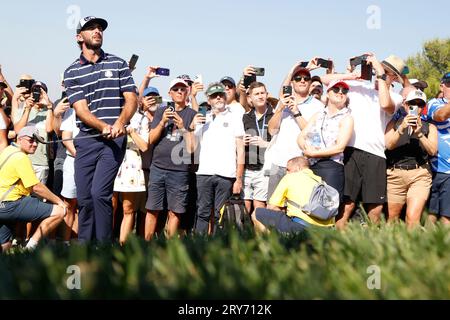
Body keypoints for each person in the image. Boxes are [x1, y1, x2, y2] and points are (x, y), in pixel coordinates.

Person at [63, 16, 138, 243]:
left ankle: (104, 248)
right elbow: (81, 110)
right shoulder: (72, 71)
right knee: (84, 198)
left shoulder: (118, 63)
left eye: (100, 28)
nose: (97, 31)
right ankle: (85, 246)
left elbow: (132, 99)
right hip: (87, 140)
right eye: (91, 28)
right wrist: (103, 125)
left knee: (100, 194)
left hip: (113, 142)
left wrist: (120, 123)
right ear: (79, 37)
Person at [321, 54, 404, 229]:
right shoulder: (358, 85)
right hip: (351, 150)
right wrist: (350, 76)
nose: (382, 73)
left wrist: (380, 74)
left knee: (375, 207)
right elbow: (324, 79)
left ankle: (371, 247)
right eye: (382, 69)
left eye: (389, 73)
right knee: (347, 204)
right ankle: (339, 245)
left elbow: (384, 104)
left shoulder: (396, 97)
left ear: (395, 78)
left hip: (376, 153)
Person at [0, 126, 67, 252]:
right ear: (19, 139)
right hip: (10, 205)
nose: (35, 144)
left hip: (2, 207)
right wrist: (59, 201)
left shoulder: (7, 150)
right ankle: (30, 248)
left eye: (37, 141)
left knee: (4, 246)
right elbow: (36, 187)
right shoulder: (21, 157)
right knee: (60, 211)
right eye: (31, 140)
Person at [145, 78, 196, 240]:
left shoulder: (192, 115)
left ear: (188, 92)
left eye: (183, 89)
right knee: (152, 209)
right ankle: (147, 245)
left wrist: (182, 127)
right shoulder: (161, 111)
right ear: (170, 93)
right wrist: (162, 122)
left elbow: (192, 148)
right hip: (158, 167)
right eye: (176, 89)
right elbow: (150, 139)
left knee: (175, 211)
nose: (179, 92)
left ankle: (169, 247)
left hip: (179, 171)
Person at [193, 82, 245, 234]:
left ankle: (218, 246)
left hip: (226, 174)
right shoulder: (203, 118)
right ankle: (199, 246)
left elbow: (240, 151)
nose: (218, 98)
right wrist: (191, 126)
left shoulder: (235, 117)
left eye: (221, 95)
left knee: (220, 215)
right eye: (214, 96)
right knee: (202, 213)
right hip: (204, 173)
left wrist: (239, 178)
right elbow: (192, 147)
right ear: (208, 100)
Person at [267, 61, 324, 199]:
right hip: (279, 163)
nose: (302, 81)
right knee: (272, 206)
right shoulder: (283, 103)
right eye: (298, 78)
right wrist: (280, 108)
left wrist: (296, 112)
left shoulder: (318, 106)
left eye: (306, 78)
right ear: (292, 82)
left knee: (297, 208)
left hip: (301, 165)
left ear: (311, 83)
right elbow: (272, 130)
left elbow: (313, 135)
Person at [384, 88, 437, 228]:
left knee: (412, 218)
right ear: (405, 105)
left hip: (419, 174)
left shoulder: (430, 127)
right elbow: (388, 145)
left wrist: (419, 134)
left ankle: (412, 250)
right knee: (392, 219)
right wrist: (401, 128)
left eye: (420, 105)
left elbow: (432, 150)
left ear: (423, 108)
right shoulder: (394, 123)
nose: (416, 107)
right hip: (395, 174)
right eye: (413, 103)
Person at [298, 80, 354, 199]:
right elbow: (301, 137)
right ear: (328, 93)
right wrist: (306, 149)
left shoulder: (347, 118)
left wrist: (313, 153)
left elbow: (340, 147)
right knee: (308, 204)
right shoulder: (318, 115)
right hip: (310, 164)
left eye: (344, 91)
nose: (340, 92)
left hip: (331, 166)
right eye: (336, 90)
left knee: (327, 207)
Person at [253, 156, 335, 234]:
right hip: (326, 229)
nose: (286, 172)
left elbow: (272, 207)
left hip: (301, 227)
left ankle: (270, 245)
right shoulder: (320, 181)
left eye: (288, 169)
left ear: (298, 168)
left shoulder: (289, 178)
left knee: (256, 213)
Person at [242, 81, 274, 215]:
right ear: (250, 98)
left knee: (259, 206)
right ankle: (243, 235)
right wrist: (241, 141)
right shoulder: (245, 117)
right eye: (256, 94)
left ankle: (259, 236)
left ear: (267, 95)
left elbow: (282, 142)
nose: (260, 96)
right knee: (244, 206)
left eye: (262, 93)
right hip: (247, 169)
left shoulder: (274, 116)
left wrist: (266, 144)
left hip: (264, 168)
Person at [426, 72, 450, 224]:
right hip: (435, 167)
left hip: (449, 171)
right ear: (442, 86)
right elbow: (440, 116)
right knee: (431, 214)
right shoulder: (434, 103)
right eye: (449, 84)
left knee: (446, 216)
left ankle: (441, 247)